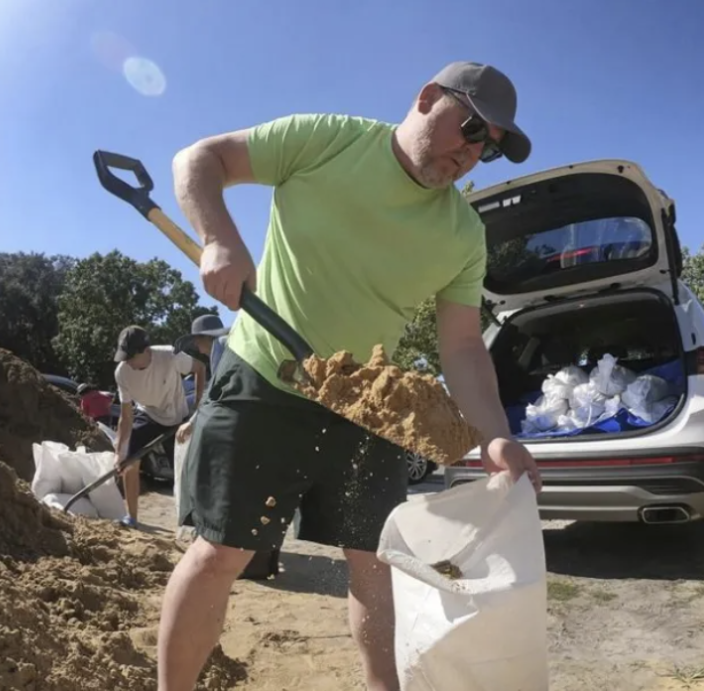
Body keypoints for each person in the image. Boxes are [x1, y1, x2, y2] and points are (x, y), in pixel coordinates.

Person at [159, 60, 542, 691]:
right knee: (222, 553)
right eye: (470, 126)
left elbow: (464, 346)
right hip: (264, 380)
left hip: (369, 405)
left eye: (488, 147)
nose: (471, 152)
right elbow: (197, 159)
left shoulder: (463, 233)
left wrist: (494, 432)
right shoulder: (328, 139)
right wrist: (219, 238)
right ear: (427, 97)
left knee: (374, 566)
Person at [112, 325, 205, 528]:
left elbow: (200, 368)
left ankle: (196, 522)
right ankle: (132, 518)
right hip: (147, 414)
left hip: (176, 416)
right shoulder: (122, 373)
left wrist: (197, 407)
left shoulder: (169, 356)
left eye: (131, 357)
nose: (127, 362)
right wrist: (120, 452)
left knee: (187, 470)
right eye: (124, 357)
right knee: (130, 461)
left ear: (146, 351)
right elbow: (126, 417)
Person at [172, 313, 230, 445]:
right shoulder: (219, 350)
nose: (195, 343)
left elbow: (216, 392)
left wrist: (192, 422)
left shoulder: (221, 345)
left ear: (206, 337)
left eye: (197, 338)